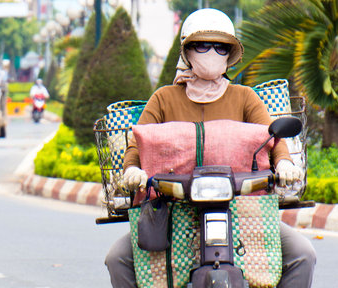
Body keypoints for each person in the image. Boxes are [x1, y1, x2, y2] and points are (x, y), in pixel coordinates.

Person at [104, 9, 315, 288]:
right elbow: (138, 143)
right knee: (116, 258)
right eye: (202, 45)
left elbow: (273, 141)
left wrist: (285, 164)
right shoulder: (164, 99)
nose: (211, 52)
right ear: (187, 52)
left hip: (242, 209)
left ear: (229, 55)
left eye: (220, 47)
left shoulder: (245, 98)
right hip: (172, 210)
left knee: (303, 254)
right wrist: (132, 169)